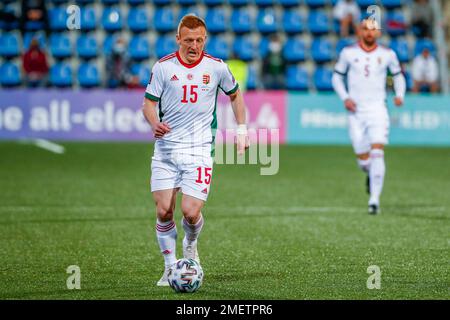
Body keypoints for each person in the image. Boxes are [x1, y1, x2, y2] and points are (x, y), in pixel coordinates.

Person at [141, 14, 249, 286]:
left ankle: (190, 243)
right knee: (165, 210)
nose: (194, 45)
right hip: (166, 149)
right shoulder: (163, 67)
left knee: (190, 212)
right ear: (178, 39)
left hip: (199, 149)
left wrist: (242, 129)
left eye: (200, 40)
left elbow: (235, 94)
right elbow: (148, 104)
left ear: (205, 39)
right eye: (189, 40)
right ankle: (169, 267)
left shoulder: (216, 67)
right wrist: (154, 123)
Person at [331, 19, 406, 215]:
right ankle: (370, 174)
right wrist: (345, 97)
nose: (369, 33)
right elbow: (337, 77)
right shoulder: (348, 53)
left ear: (378, 33)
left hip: (378, 109)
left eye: (373, 29)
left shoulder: (388, 54)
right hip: (355, 112)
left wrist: (399, 95)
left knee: (378, 150)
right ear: (359, 31)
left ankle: (374, 200)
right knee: (364, 160)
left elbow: (398, 76)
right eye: (365, 29)